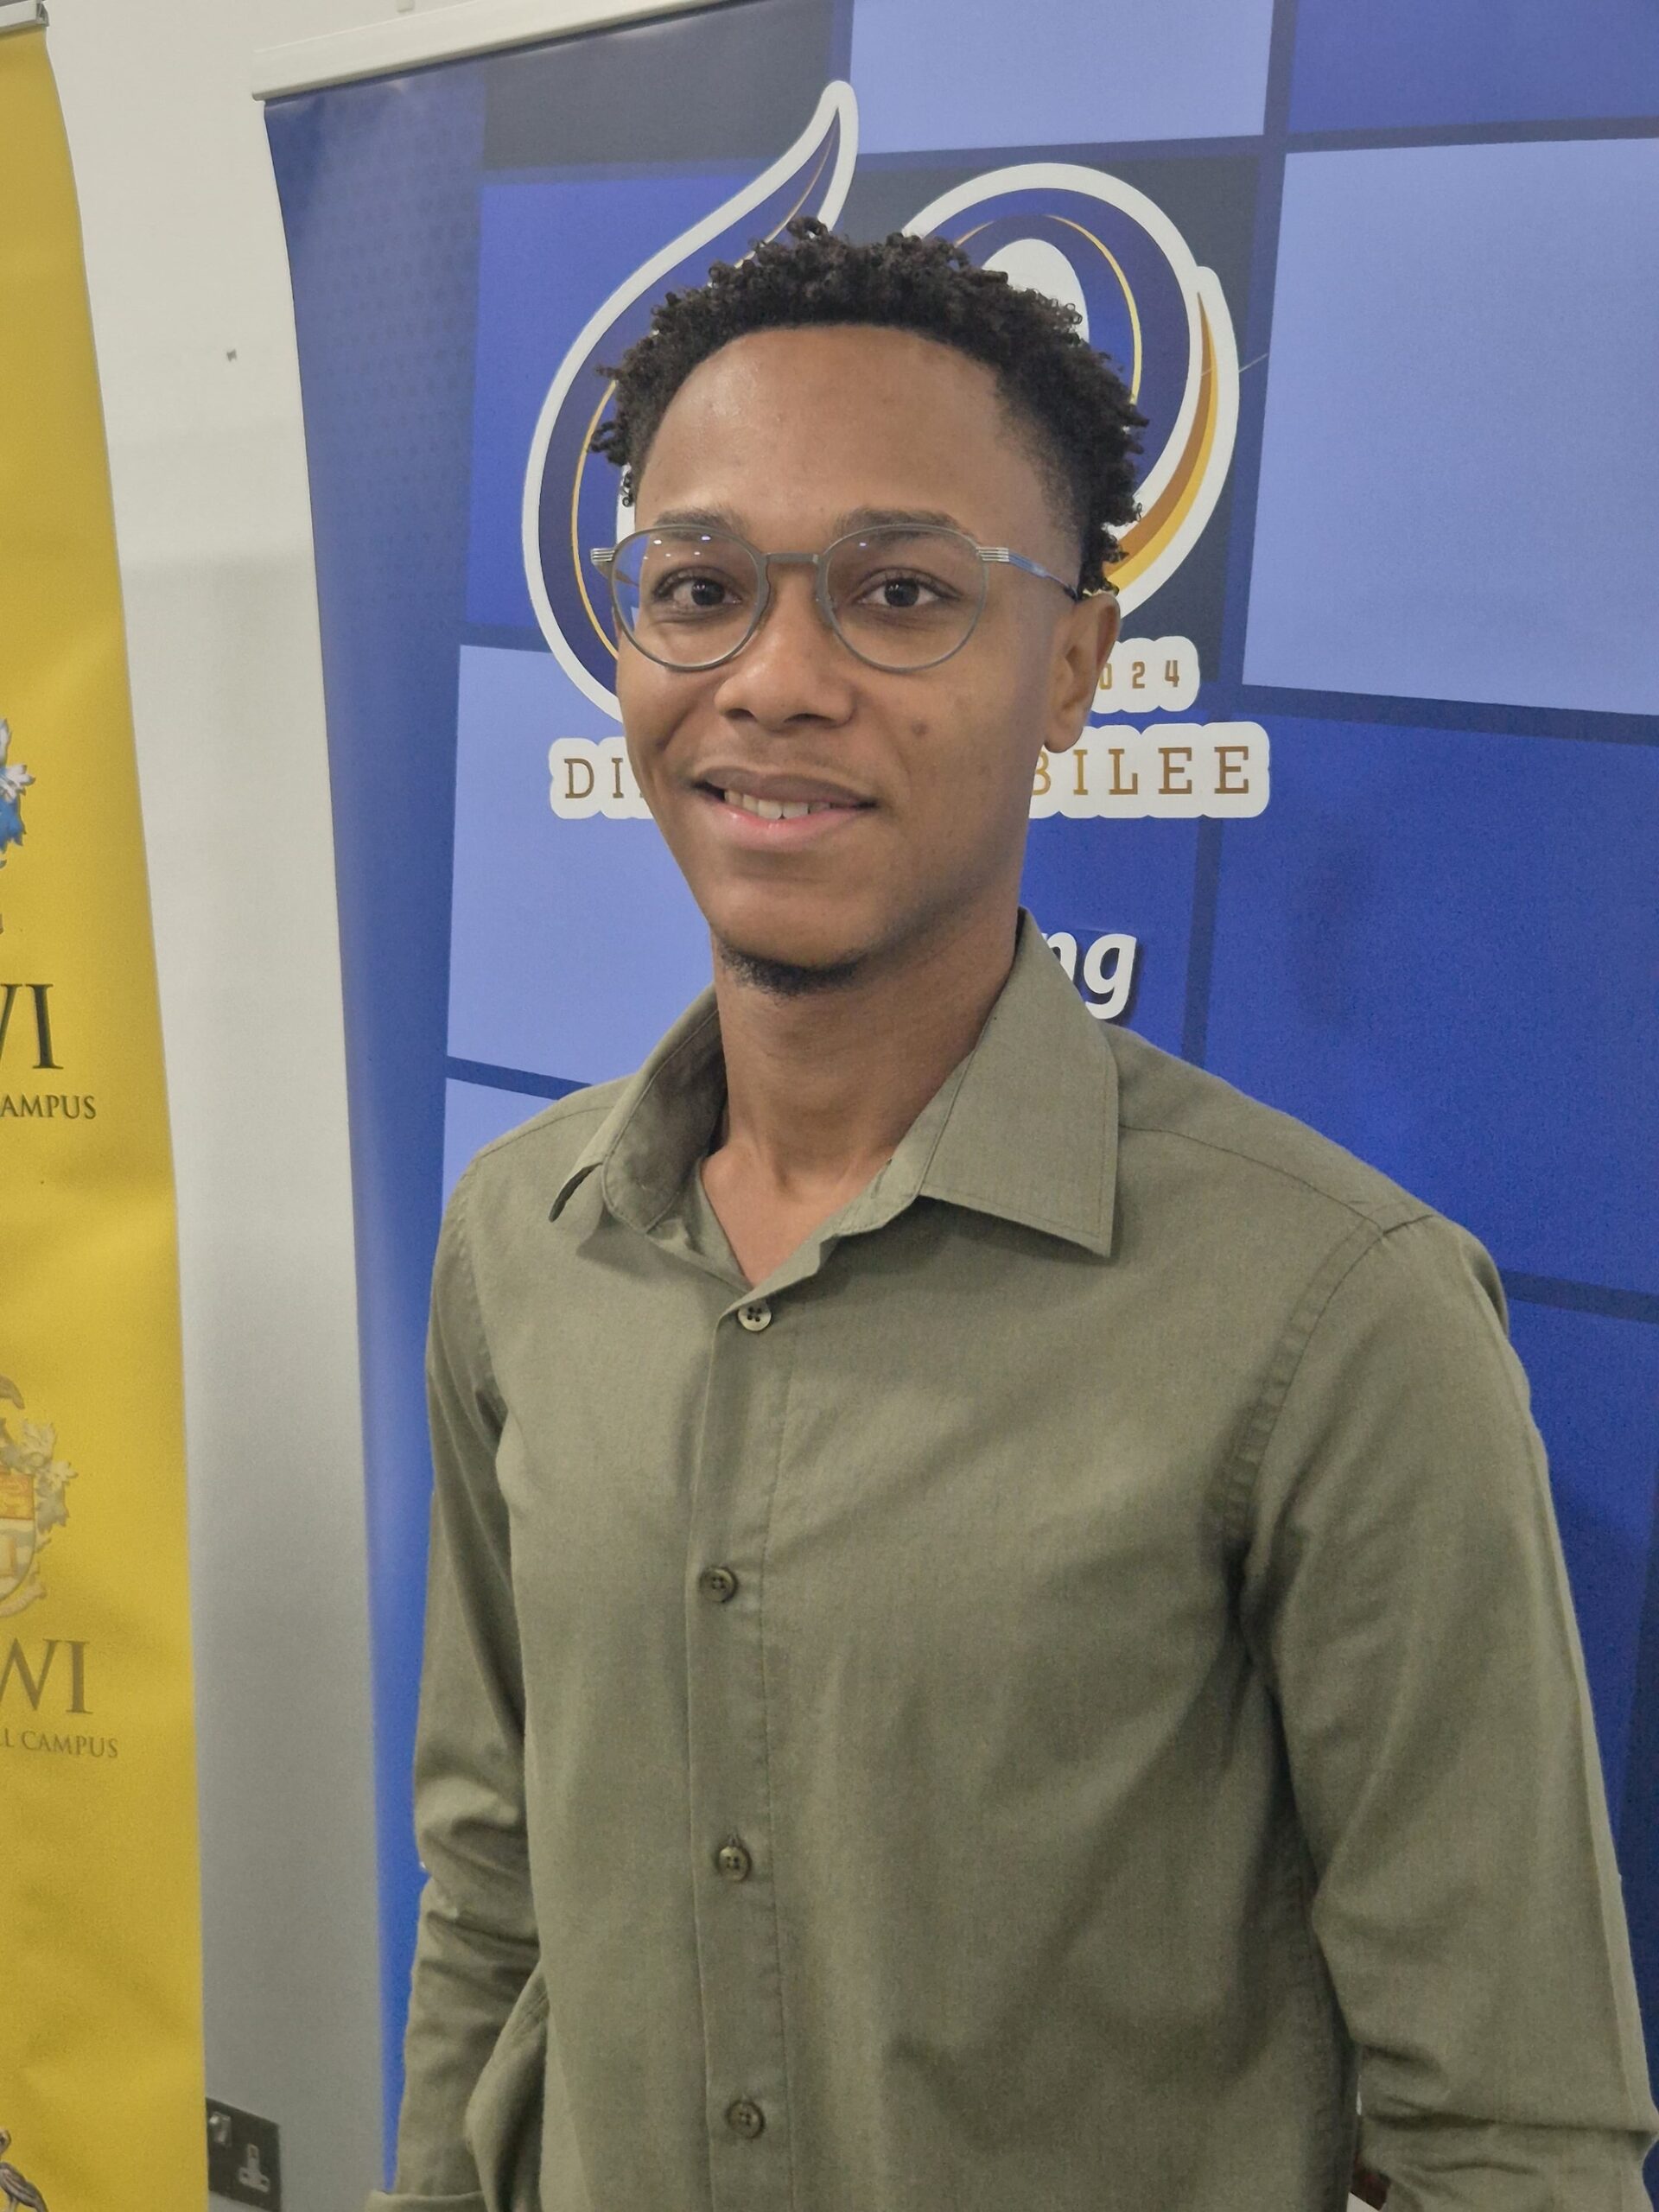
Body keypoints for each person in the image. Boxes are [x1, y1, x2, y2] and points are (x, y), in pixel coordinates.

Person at [370, 219, 1657, 2212]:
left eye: (899, 592)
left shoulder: (1335, 1313)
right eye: (699, 588)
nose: (774, 680)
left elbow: (1513, 2135)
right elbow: (492, 1903)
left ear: (1071, 666)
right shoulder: (519, 1238)